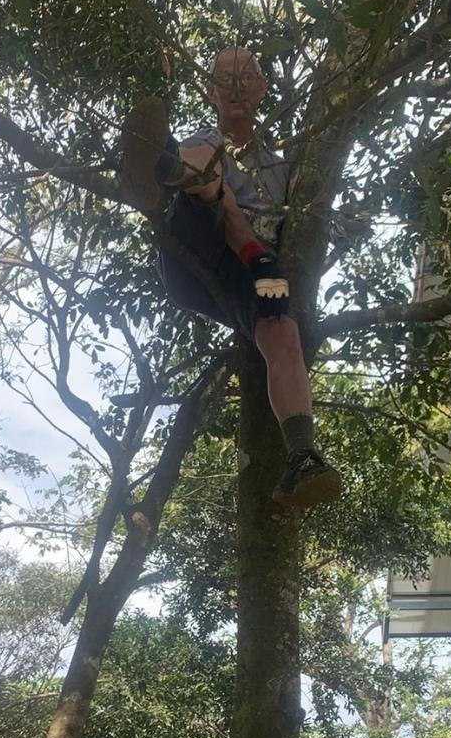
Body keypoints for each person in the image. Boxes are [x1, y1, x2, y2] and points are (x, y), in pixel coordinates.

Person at [118, 46, 342, 511]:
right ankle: (162, 168)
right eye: (225, 78)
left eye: (246, 76)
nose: (237, 86)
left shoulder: (280, 166)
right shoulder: (208, 137)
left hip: (253, 272)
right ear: (210, 90)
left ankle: (301, 455)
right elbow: (234, 221)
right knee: (207, 171)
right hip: (202, 250)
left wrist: (266, 267)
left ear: (262, 88)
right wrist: (258, 257)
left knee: (283, 330)